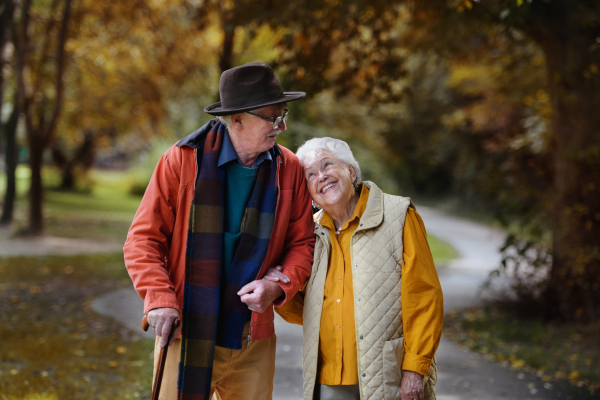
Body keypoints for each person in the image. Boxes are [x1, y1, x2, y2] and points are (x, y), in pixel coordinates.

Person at [123, 62, 315, 400]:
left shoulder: (290, 169)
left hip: (252, 336)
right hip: (187, 330)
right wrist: (159, 299)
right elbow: (143, 240)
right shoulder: (181, 160)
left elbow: (303, 243)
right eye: (273, 117)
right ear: (237, 118)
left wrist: (277, 283)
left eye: (283, 114)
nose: (282, 127)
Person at [268, 137, 444, 400]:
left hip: (389, 376)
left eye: (327, 165)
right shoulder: (308, 233)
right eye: (311, 174)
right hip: (328, 379)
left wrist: (415, 369)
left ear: (350, 170)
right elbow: (306, 312)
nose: (321, 177)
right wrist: (278, 287)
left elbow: (424, 299)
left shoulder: (398, 216)